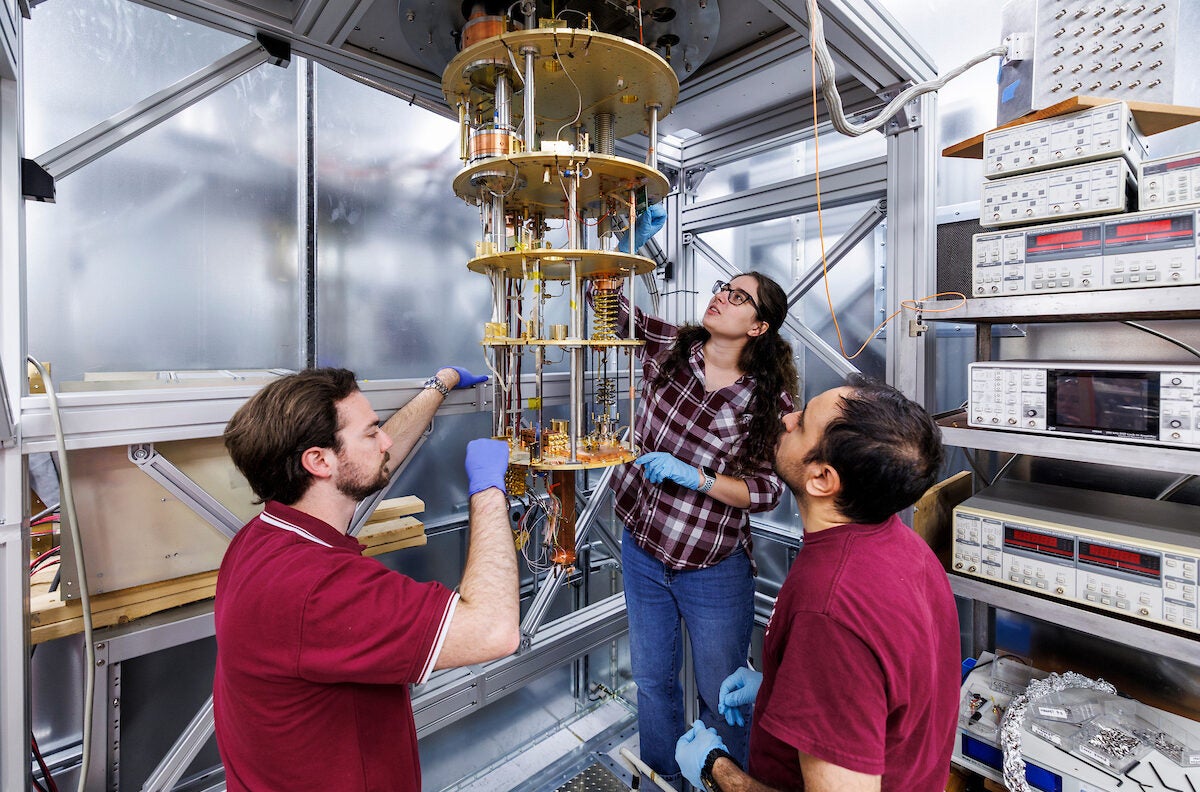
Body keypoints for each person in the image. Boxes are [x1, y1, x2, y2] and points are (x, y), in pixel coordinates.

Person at [213, 366, 519, 792]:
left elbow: (359, 463)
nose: (387, 441)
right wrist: (488, 490)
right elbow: (494, 632)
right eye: (373, 432)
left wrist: (439, 384)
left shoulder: (262, 537)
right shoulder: (318, 589)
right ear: (318, 460)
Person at [674, 375, 960, 792]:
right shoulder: (905, 547)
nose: (787, 418)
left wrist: (715, 769)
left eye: (803, 422)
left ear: (823, 479)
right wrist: (779, 689)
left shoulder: (829, 610)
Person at [611, 272, 798, 785]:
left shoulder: (768, 401)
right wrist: (618, 242)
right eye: (723, 286)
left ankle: (723, 782)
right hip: (643, 548)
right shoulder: (671, 347)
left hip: (712, 565)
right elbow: (610, 307)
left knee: (724, 693)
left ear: (759, 326)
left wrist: (699, 478)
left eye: (739, 297)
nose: (722, 297)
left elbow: (766, 491)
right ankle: (661, 776)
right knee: (652, 681)